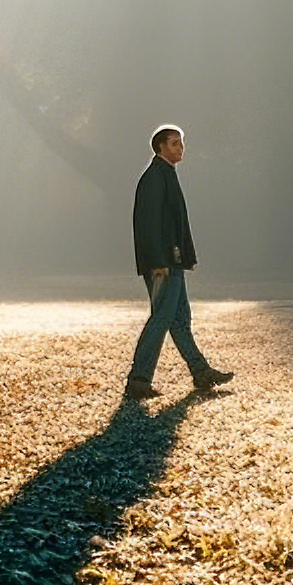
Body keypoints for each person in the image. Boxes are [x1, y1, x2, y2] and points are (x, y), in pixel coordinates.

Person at [124, 125, 233, 401]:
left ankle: (201, 372)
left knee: (180, 320)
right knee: (161, 318)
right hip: (162, 263)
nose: (180, 148)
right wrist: (158, 261)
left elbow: (173, 223)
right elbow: (147, 223)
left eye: (181, 143)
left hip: (171, 261)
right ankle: (139, 380)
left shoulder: (166, 175)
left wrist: (183, 257)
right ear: (160, 147)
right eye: (174, 143)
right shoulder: (155, 177)